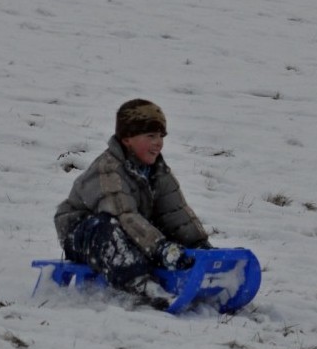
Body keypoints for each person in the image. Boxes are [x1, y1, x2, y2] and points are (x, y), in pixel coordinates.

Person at [53, 99, 212, 305]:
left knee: (157, 229)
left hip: (128, 228)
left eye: (161, 136)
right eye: (150, 136)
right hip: (83, 234)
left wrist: (200, 246)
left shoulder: (157, 171)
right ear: (127, 139)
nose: (158, 143)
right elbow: (122, 215)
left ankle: (185, 273)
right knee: (107, 226)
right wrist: (160, 248)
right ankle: (140, 283)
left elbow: (175, 212)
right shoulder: (109, 169)